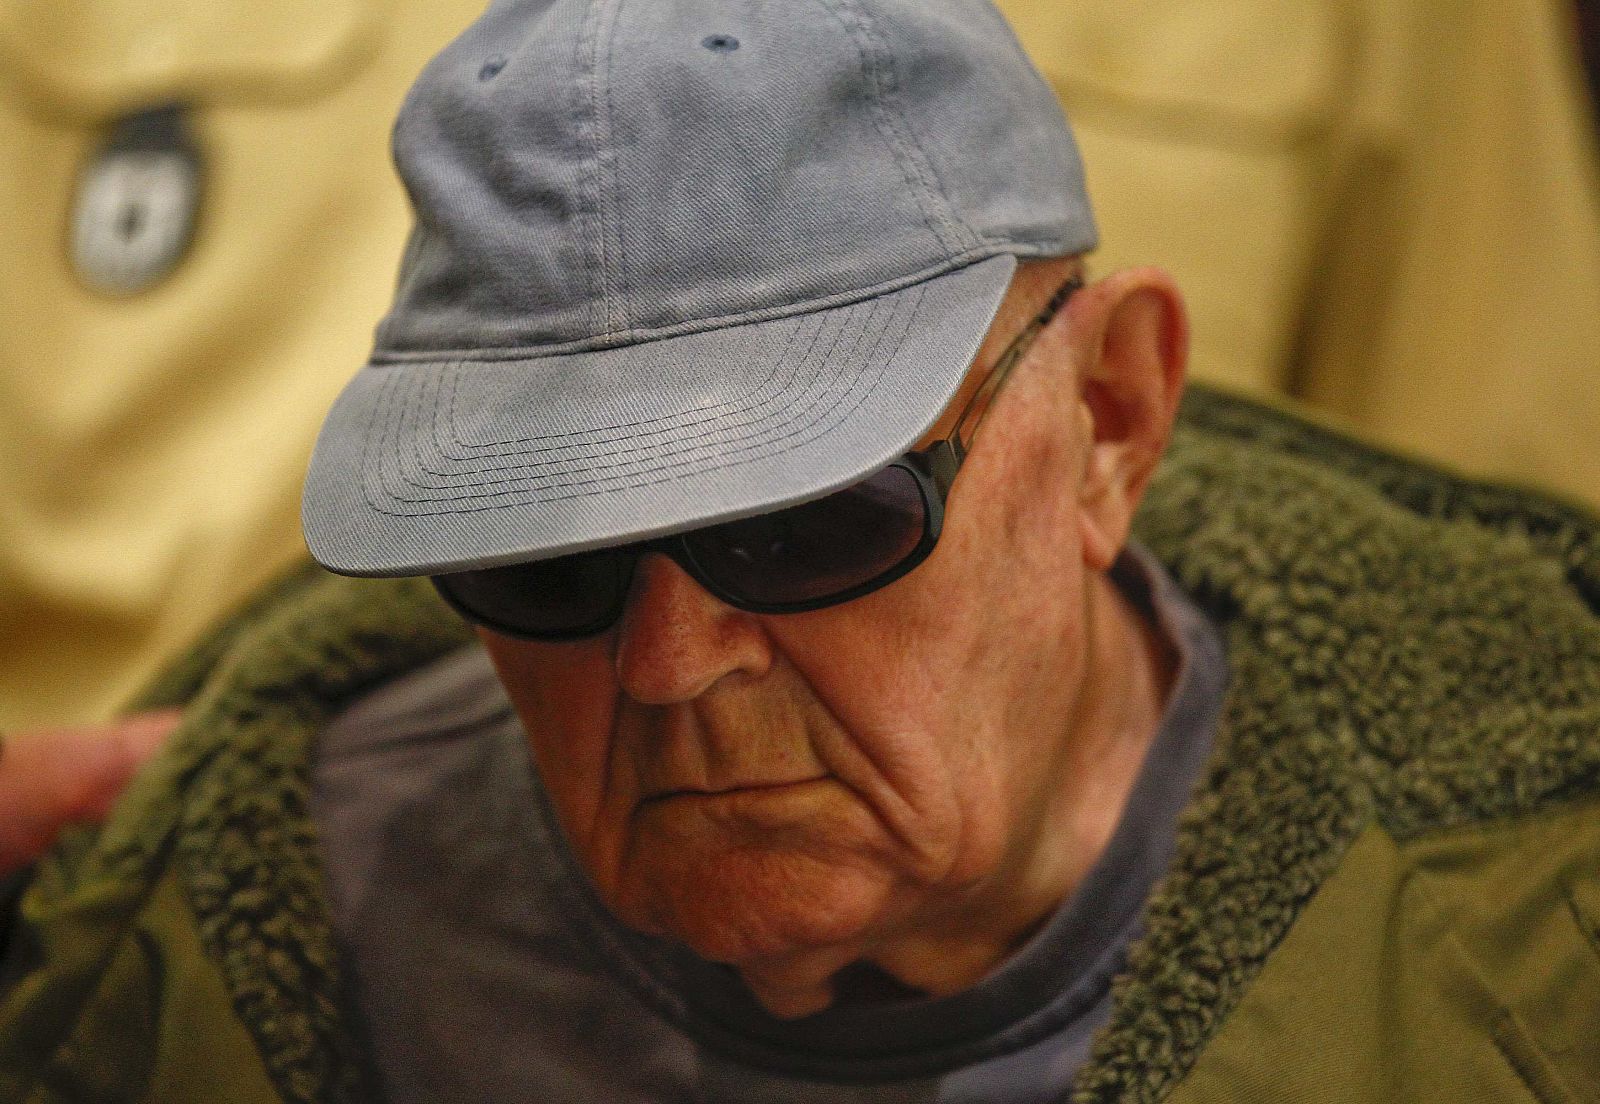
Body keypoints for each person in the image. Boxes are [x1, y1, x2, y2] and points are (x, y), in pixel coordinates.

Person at [3, 3, 1598, 1103]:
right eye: (543, 562)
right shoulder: (196, 984)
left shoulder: (1530, 962)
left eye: (813, 519)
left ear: (1113, 421)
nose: (672, 659)